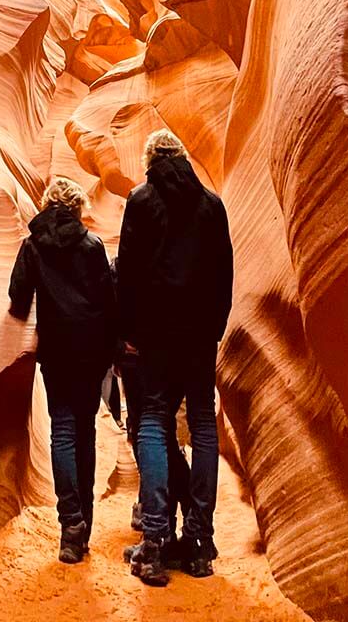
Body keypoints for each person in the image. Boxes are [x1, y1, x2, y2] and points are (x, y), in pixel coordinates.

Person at [117, 130, 233, 587]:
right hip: (200, 336)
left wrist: (128, 333)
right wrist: (215, 327)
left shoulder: (141, 200)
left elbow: (128, 273)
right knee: (204, 425)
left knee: (153, 420)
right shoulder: (211, 205)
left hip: (157, 336)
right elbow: (224, 273)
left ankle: (155, 541)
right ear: (183, 159)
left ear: (149, 161)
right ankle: (199, 543)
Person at [8, 177, 116, 564]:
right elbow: (108, 301)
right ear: (76, 207)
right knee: (84, 432)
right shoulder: (91, 245)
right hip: (90, 352)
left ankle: (70, 526)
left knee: (63, 432)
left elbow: (18, 298)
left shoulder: (33, 246)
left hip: (56, 351)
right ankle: (83, 522)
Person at [111, 257, 191, 539]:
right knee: (162, 433)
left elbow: (109, 311)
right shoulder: (171, 259)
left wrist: (119, 347)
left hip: (137, 361)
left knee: (147, 431)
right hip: (169, 357)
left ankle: (157, 516)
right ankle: (187, 517)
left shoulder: (121, 265)